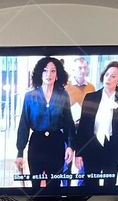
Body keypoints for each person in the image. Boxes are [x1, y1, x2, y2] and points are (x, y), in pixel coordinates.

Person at [15, 56, 76, 191]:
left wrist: (70, 146)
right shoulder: (30, 96)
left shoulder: (63, 95)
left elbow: (68, 123)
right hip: (37, 143)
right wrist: (20, 152)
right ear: (39, 73)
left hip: (56, 143)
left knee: (54, 185)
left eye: (53, 71)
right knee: (36, 185)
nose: (49, 74)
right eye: (45, 70)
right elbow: (23, 125)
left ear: (57, 74)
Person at [76, 60, 118, 189]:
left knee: (110, 185)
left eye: (113, 76)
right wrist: (78, 153)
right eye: (107, 74)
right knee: (90, 184)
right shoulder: (91, 97)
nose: (109, 78)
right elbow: (83, 126)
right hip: (92, 146)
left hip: (112, 147)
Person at [64, 56, 95, 125]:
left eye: (85, 68)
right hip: (69, 124)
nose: (83, 71)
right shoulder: (65, 87)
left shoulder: (91, 87)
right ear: (73, 69)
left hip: (86, 124)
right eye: (80, 68)